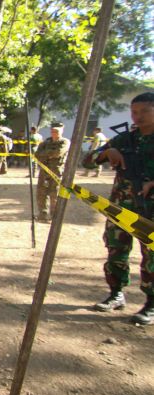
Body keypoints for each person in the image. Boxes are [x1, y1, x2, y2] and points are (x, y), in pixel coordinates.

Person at [92, 92, 154, 325]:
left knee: (152, 257)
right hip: (121, 208)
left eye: (144, 112)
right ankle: (116, 293)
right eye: (134, 112)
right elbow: (89, 160)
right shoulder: (126, 139)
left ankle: (151, 304)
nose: (137, 117)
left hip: (150, 210)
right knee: (116, 249)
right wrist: (107, 152)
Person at [34, 122, 70, 222]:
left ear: (61, 131)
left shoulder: (64, 142)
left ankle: (54, 216)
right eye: (53, 131)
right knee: (41, 193)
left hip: (56, 171)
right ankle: (43, 215)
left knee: (55, 194)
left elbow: (58, 152)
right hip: (44, 171)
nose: (54, 133)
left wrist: (45, 154)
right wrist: (49, 154)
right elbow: (37, 155)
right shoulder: (45, 142)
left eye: (57, 131)